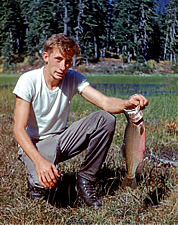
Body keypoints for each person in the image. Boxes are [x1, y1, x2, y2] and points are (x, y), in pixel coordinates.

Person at [13, 33, 149, 209]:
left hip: (62, 139)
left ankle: (86, 181)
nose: (63, 66)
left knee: (105, 119)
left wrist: (127, 104)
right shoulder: (28, 80)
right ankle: (35, 188)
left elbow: (105, 103)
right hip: (35, 144)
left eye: (68, 61)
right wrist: (39, 162)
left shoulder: (73, 77)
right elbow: (18, 130)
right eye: (58, 59)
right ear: (46, 57)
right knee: (43, 184)